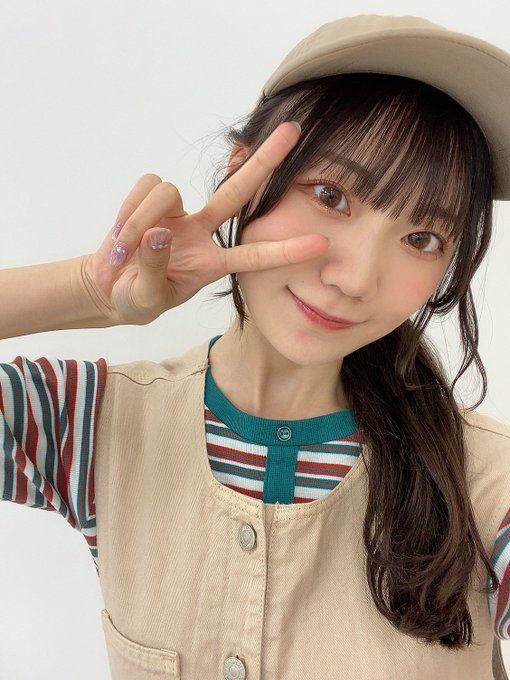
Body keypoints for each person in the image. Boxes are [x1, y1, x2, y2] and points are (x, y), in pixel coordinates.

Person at [1, 13, 510, 680]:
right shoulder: (91, 422)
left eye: (422, 238)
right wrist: (89, 292)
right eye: (331, 195)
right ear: (243, 175)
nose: (356, 279)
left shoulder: (488, 482)